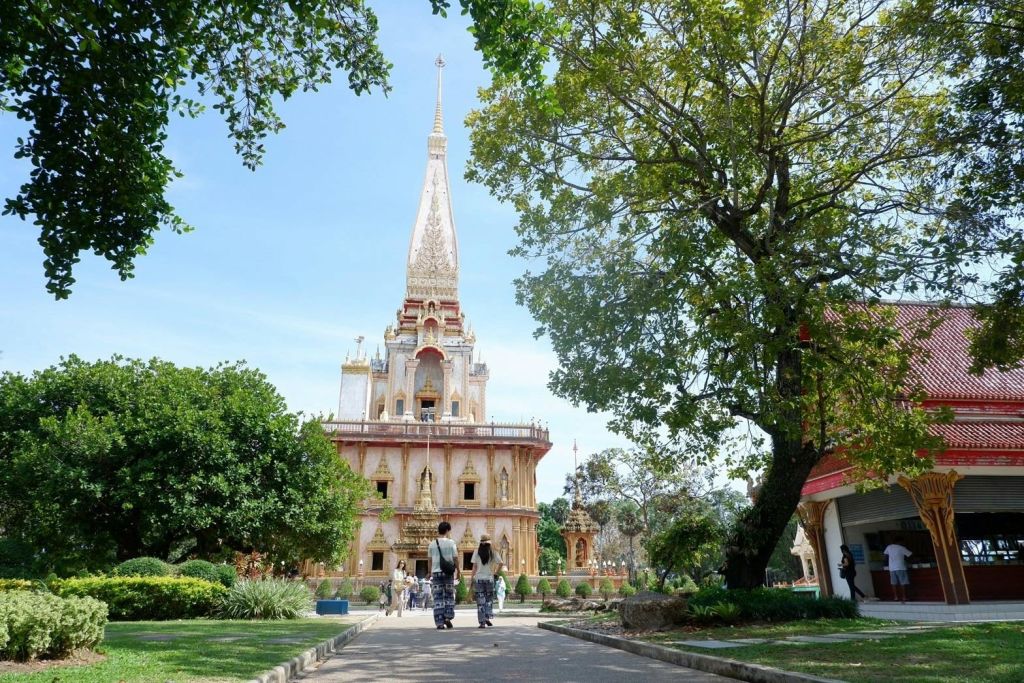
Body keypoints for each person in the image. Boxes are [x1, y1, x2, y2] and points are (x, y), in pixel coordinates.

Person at [428, 520, 459, 629]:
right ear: (447, 531)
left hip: (436, 573)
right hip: (448, 573)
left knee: (438, 598)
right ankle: (448, 616)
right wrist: (458, 570)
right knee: (449, 596)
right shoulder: (451, 543)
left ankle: (439, 622)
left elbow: (430, 560)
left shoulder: (432, 543)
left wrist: (429, 572)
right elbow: (455, 558)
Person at [470, 534, 504, 628]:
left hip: (479, 579)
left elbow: (474, 567)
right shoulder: (493, 552)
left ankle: (482, 622)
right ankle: (487, 617)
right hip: (489, 579)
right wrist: (496, 572)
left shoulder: (476, 552)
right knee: (488, 600)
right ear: (489, 543)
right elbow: (501, 563)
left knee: (480, 601)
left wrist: (472, 578)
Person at [883, 537, 913, 603]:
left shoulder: (889, 547)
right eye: (903, 542)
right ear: (900, 542)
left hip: (891, 568)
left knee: (893, 583)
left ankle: (895, 597)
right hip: (900, 567)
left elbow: (885, 556)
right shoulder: (901, 548)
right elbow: (910, 555)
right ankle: (904, 597)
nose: (903, 543)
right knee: (903, 582)